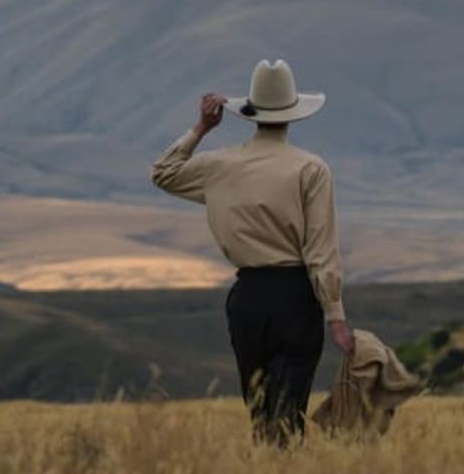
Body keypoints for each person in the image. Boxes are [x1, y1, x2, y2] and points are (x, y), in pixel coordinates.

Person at [150, 59, 354, 446]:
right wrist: (336, 317)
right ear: (293, 114)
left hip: (246, 299)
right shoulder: (310, 169)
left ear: (252, 113)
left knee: (260, 411)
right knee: (288, 411)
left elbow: (163, 172)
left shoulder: (219, 165)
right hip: (297, 298)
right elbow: (321, 250)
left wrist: (201, 129)